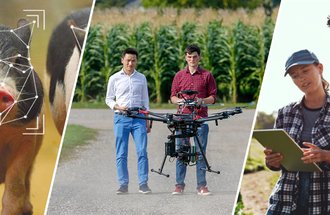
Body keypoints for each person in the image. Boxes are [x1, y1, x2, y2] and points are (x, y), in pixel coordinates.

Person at [264, 49, 330, 214]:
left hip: (323, 202)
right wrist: (273, 161)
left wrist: (325, 156)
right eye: (294, 75)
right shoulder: (285, 113)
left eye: (305, 71)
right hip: (285, 201)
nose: (301, 78)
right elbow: (275, 164)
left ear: (320, 68)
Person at [170, 44, 217, 196]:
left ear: (199, 57)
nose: (192, 59)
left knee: (200, 152)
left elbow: (213, 97)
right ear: (185, 57)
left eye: (195, 56)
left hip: (200, 119)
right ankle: (179, 185)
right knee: (181, 152)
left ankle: (201, 186)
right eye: (189, 57)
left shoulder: (207, 75)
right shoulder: (179, 75)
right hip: (182, 119)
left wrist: (201, 101)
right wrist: (180, 101)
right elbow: (172, 97)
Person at [105, 47, 151, 195]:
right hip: (121, 118)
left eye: (133, 60)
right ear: (122, 60)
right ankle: (123, 185)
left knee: (142, 151)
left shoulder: (141, 78)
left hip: (138, 118)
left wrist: (148, 119)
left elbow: (145, 101)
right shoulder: (114, 78)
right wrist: (117, 106)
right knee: (121, 153)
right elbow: (108, 98)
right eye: (128, 60)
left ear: (136, 61)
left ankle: (143, 184)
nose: (130, 63)